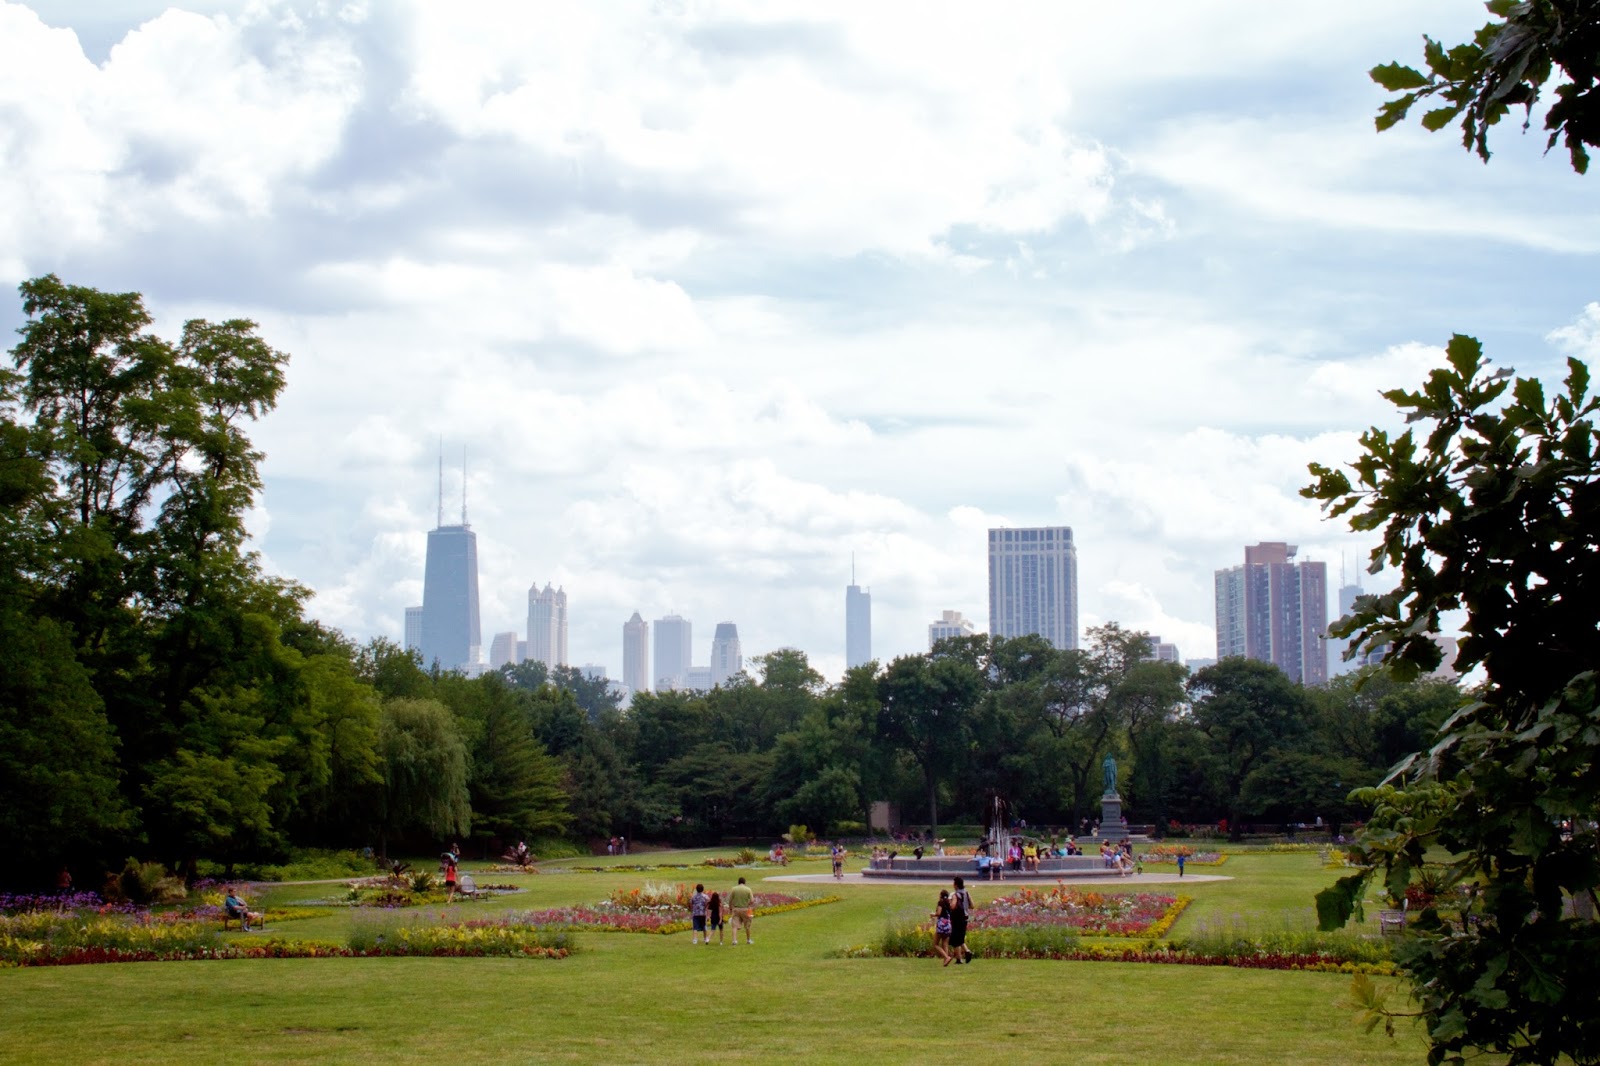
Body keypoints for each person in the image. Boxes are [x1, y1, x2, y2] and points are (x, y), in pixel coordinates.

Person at [949, 876, 974, 964]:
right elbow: (972, 905)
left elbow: (953, 906)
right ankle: (964, 954)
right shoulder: (966, 893)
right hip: (965, 917)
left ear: (956, 885)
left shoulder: (956, 895)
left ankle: (960, 957)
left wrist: (949, 903)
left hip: (957, 918)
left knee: (955, 938)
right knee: (960, 937)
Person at [931, 890, 954, 966]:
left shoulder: (941, 902)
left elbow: (939, 913)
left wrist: (933, 915)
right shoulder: (948, 903)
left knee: (935, 944)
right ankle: (945, 962)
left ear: (941, 895)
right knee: (945, 943)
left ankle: (946, 957)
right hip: (948, 924)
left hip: (942, 924)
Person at [729, 876, 754, 944]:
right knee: (747, 926)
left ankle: (734, 940)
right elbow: (752, 900)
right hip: (745, 909)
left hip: (736, 909)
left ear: (738, 882)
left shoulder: (734, 889)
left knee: (734, 926)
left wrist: (730, 908)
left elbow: (730, 900)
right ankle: (748, 940)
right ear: (744, 882)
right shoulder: (748, 889)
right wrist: (748, 904)